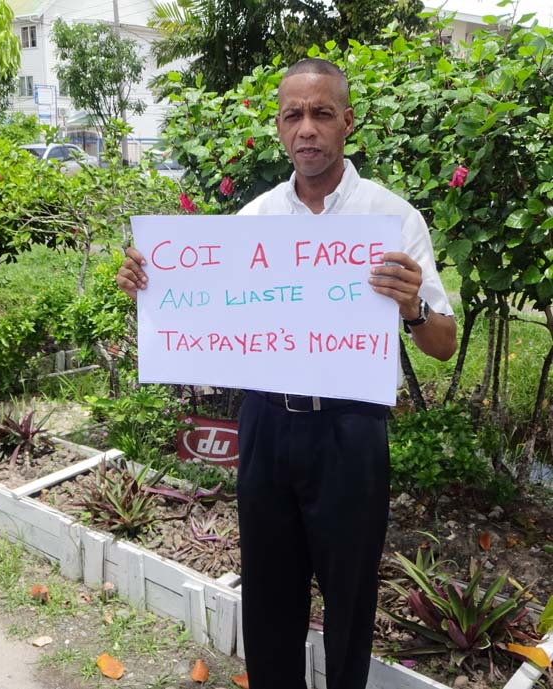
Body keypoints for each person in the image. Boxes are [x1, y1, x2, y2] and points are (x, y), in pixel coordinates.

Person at [117, 58, 457, 689]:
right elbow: (202, 317)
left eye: (322, 113)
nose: (307, 129)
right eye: (293, 115)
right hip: (268, 424)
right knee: (269, 596)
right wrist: (149, 286)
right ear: (278, 128)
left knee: (350, 600)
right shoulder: (253, 224)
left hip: (350, 432)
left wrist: (412, 308)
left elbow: (443, 341)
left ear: (347, 123)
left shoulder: (392, 220)